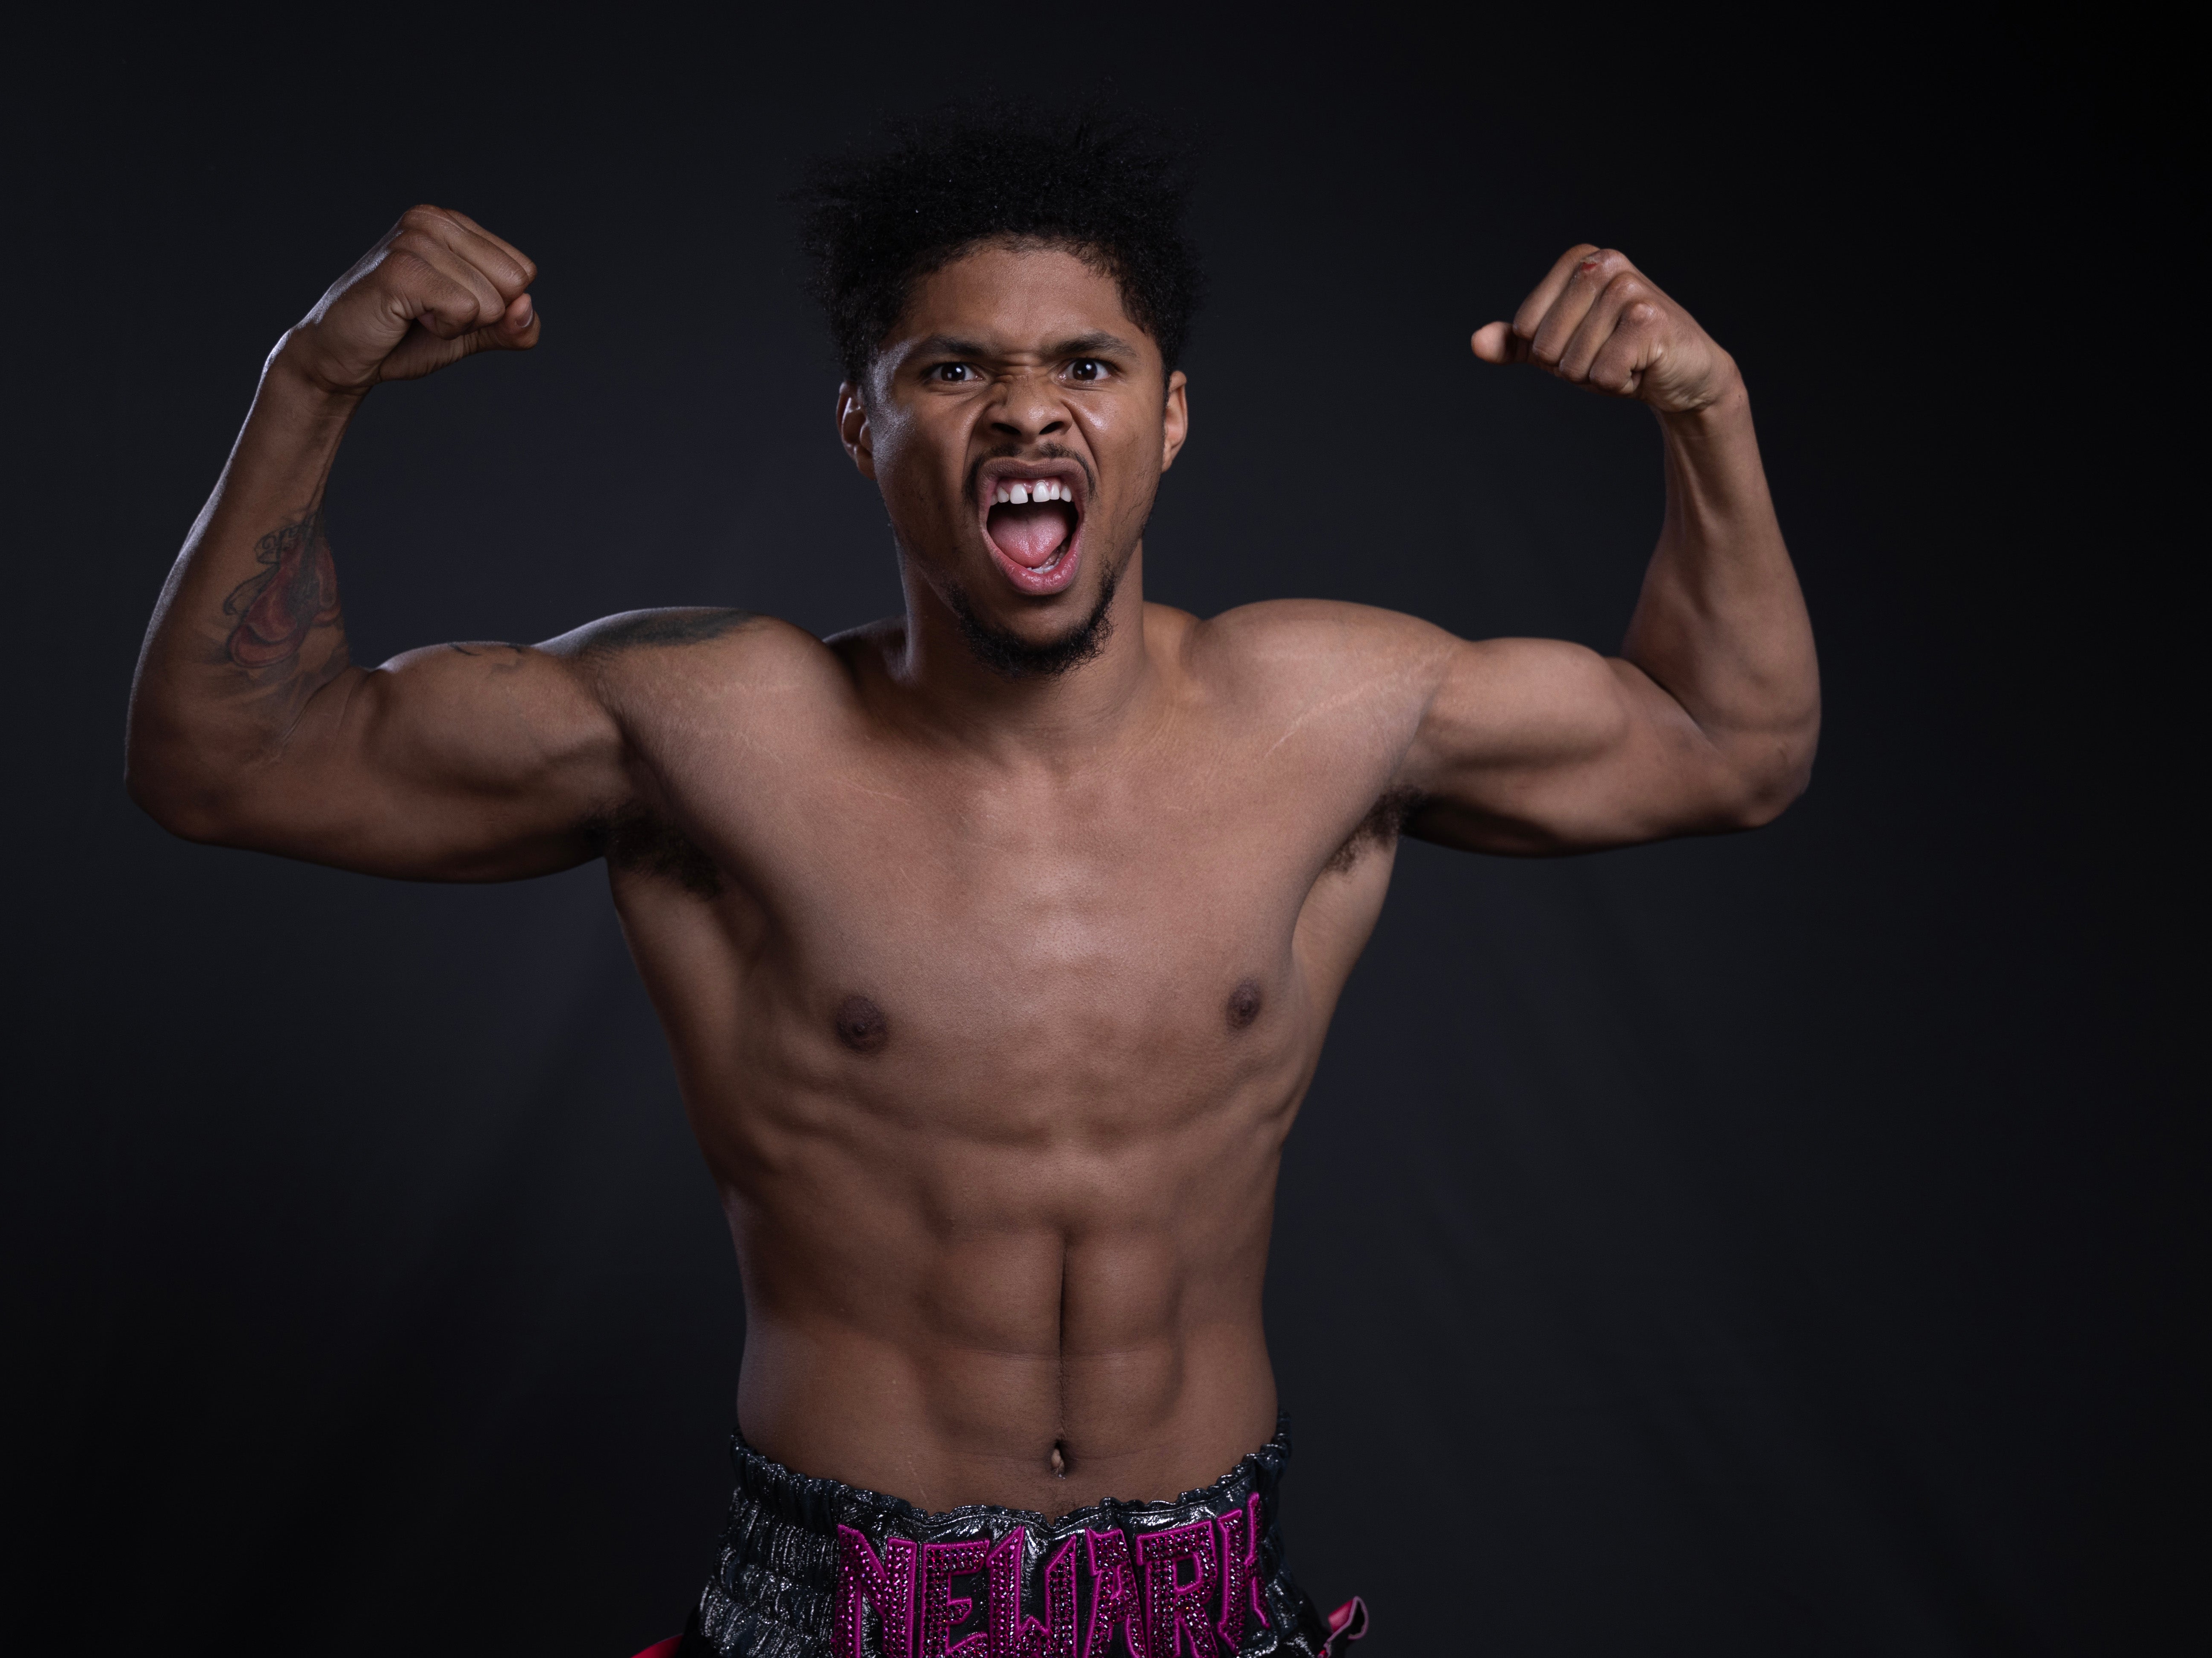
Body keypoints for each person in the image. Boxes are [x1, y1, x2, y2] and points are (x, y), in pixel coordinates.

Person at [125, 111, 1819, 1658]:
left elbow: (1722, 744)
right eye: (950, 368)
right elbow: (234, 756)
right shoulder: (711, 727)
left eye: (1087, 362)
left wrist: (1710, 409)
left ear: (1165, 415)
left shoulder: (1329, 712)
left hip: (1218, 1606)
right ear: (858, 424)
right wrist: (307, 386)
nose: (1025, 409)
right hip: (839, 1612)